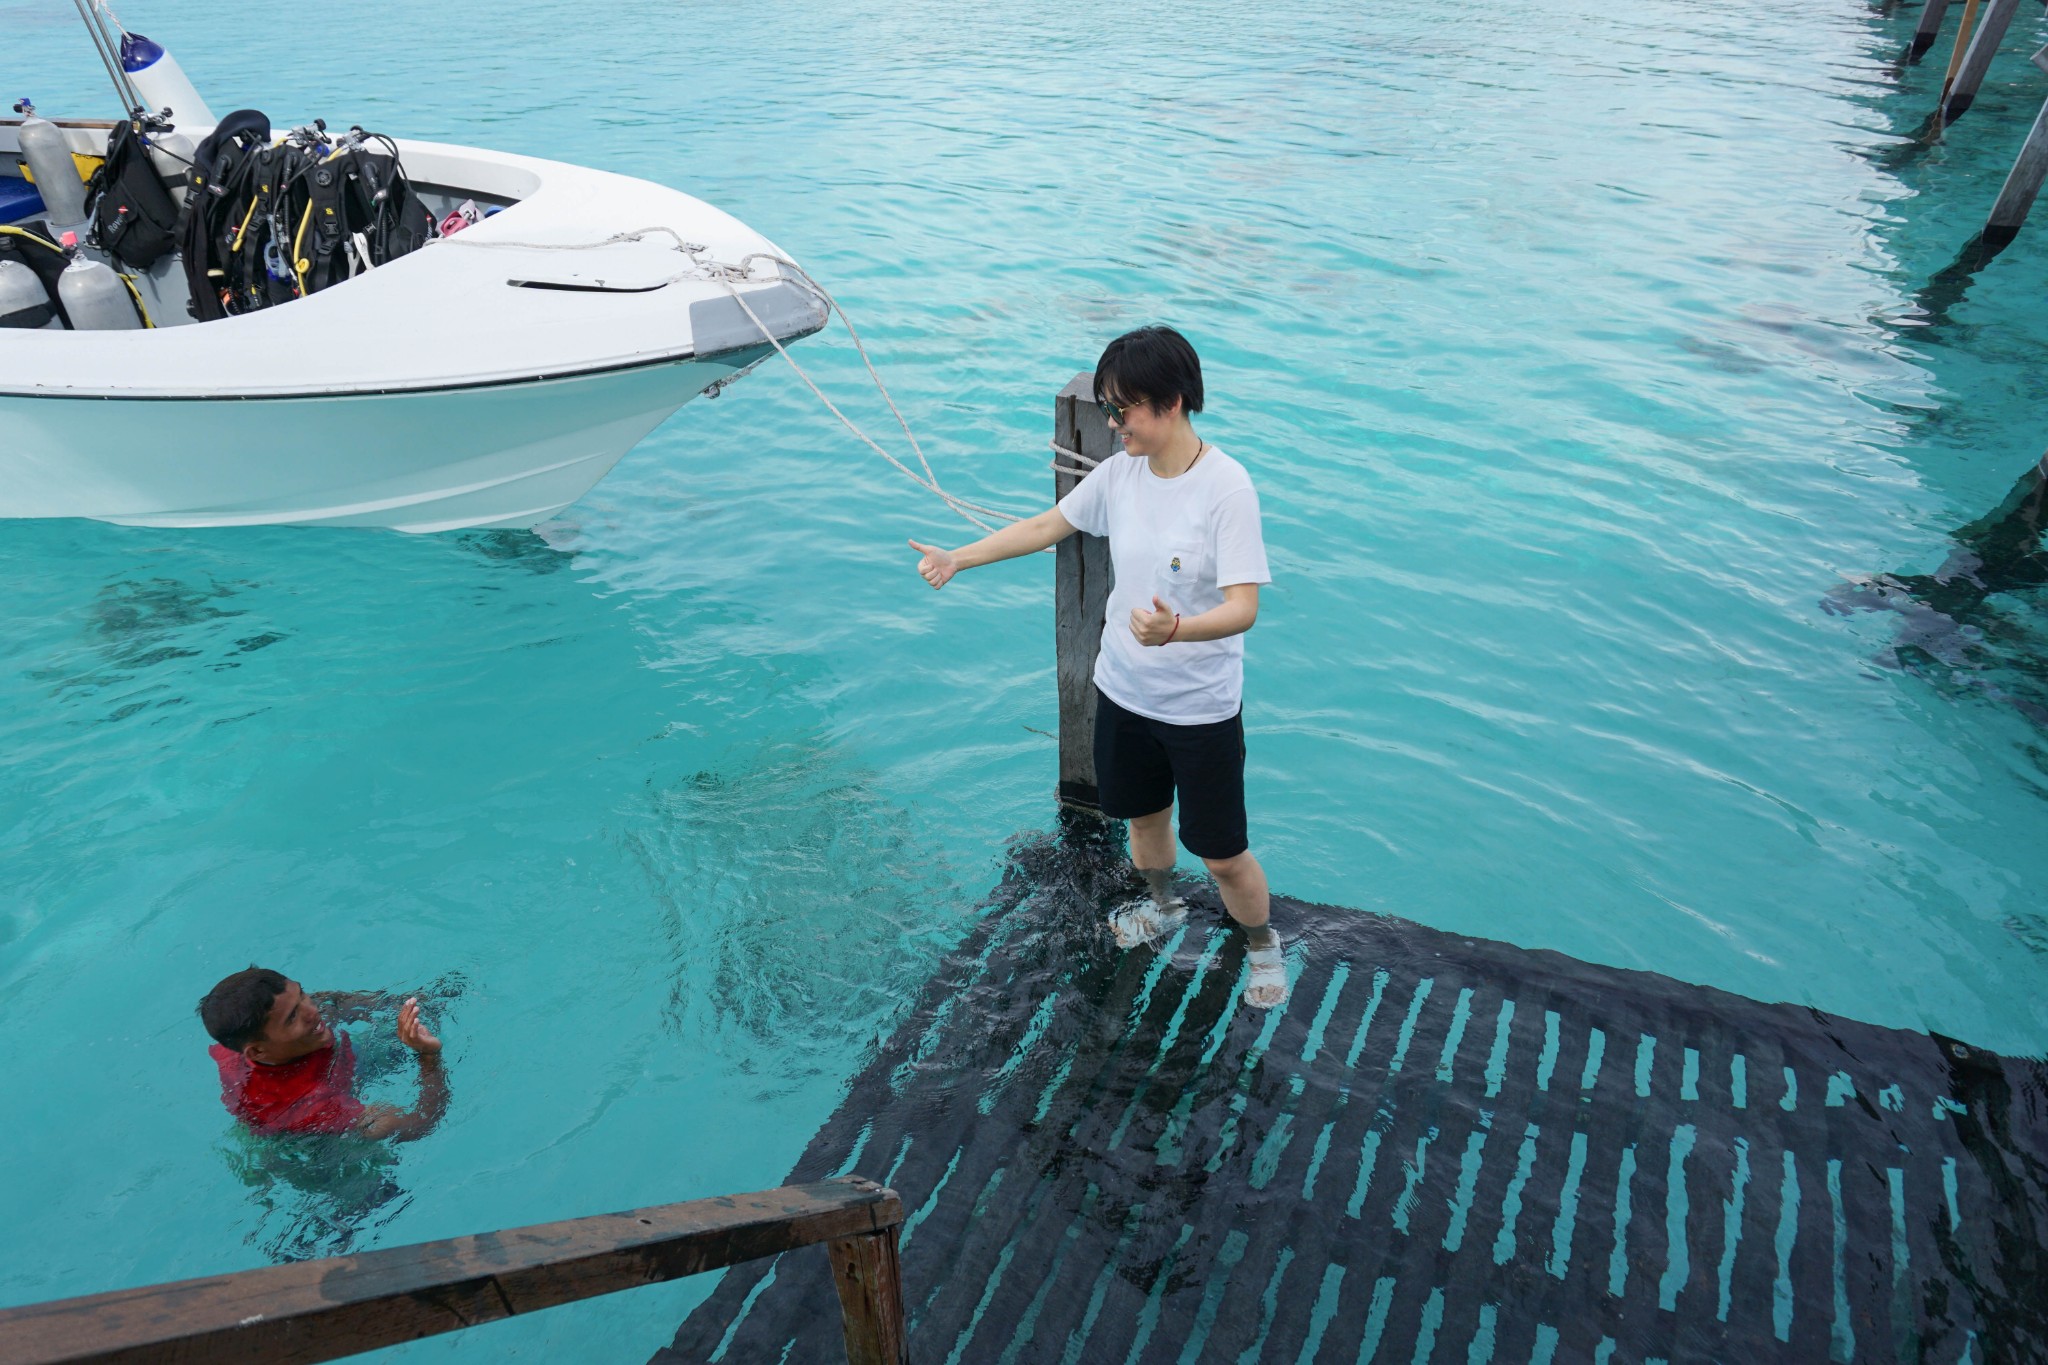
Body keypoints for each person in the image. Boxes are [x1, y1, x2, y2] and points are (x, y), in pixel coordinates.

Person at [908, 326, 1287, 1008]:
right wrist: (958, 557)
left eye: (1124, 409)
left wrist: (1178, 630)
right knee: (1143, 824)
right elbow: (1046, 526)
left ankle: (1262, 943)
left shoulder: (1227, 488)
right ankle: (1165, 906)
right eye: (1107, 409)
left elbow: (1243, 608)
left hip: (1199, 707)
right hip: (1123, 693)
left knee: (1223, 852)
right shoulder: (1118, 474)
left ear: (1171, 402)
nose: (1113, 425)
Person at [198, 967, 449, 1140]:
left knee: (434, 1004)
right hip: (317, 1144)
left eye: (302, 995)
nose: (313, 1010)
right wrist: (428, 1056)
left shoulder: (245, 1036)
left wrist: (387, 1004)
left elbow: (329, 1000)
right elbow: (420, 1123)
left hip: (328, 1067)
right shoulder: (312, 1105)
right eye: (293, 1017)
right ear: (258, 1050)